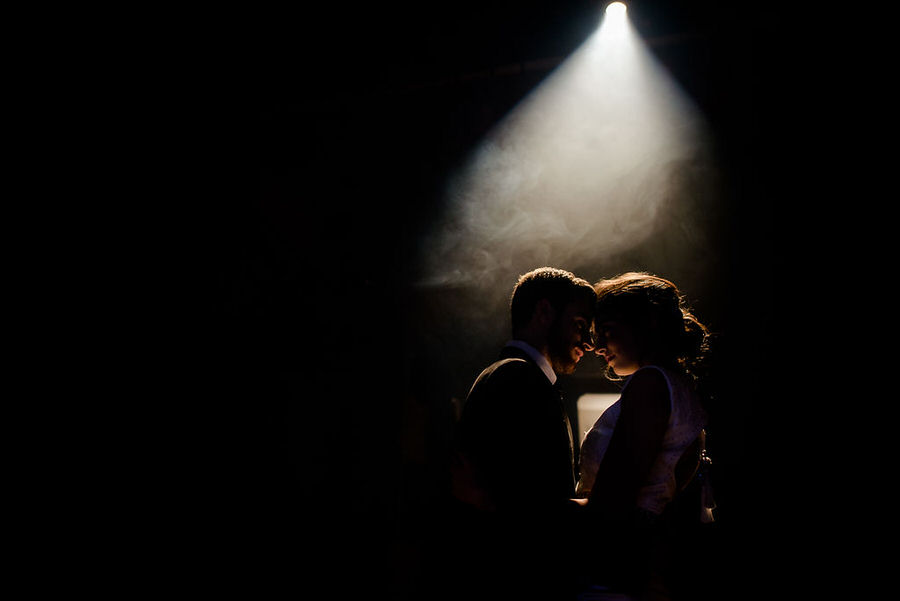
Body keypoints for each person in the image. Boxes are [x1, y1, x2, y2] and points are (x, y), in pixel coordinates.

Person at [447, 266, 596, 600]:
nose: (587, 342)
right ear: (544, 312)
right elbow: (531, 506)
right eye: (580, 325)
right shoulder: (521, 380)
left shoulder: (510, 376)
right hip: (518, 581)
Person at [574, 272, 716, 601]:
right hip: (646, 560)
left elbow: (611, 504)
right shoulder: (677, 383)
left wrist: (515, 509)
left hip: (626, 567)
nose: (596, 346)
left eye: (606, 330)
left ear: (645, 324)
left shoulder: (650, 383)